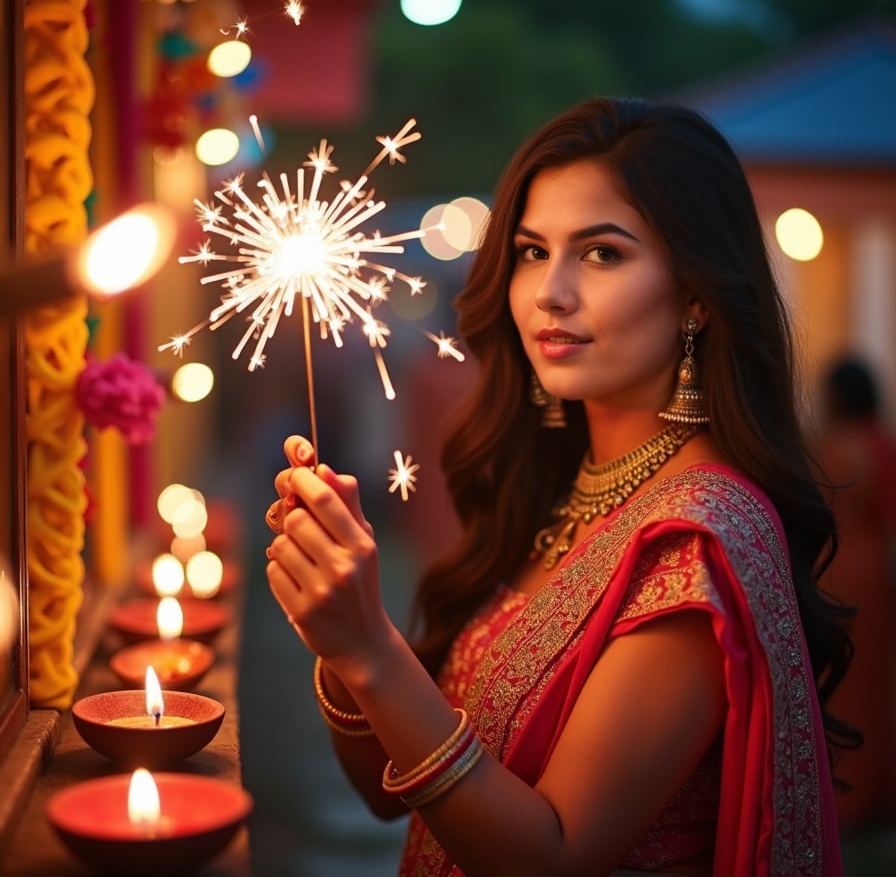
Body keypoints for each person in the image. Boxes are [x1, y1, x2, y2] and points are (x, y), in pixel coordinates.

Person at [264, 97, 858, 876]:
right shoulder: (555, 488)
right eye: (532, 251)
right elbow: (387, 793)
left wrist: (373, 648)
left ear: (696, 297)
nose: (551, 291)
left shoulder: (700, 543)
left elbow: (551, 856)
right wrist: (340, 644)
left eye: (603, 254)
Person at [817, 356, 896, 830]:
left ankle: (836, 795)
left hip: (824, 576)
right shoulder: (879, 448)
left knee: (834, 686)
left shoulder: (818, 447)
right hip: (870, 581)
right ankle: (873, 795)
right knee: (870, 686)